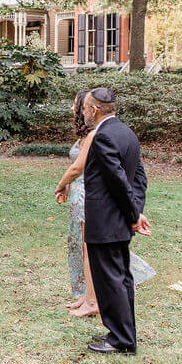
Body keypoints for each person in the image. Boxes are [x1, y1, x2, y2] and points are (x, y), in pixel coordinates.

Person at [56, 92, 155, 318]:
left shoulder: (98, 135)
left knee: (91, 251)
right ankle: (87, 295)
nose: (75, 110)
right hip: (81, 195)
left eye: (78, 106)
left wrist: (61, 185)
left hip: (90, 199)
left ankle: (93, 301)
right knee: (84, 250)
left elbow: (79, 168)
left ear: (91, 109)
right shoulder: (99, 133)